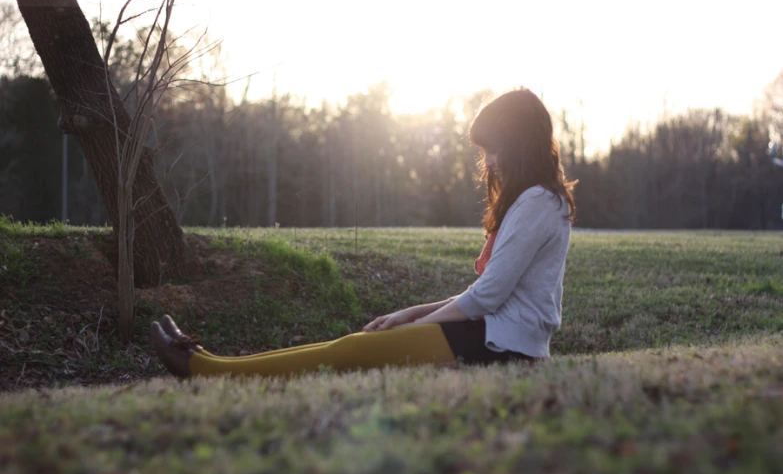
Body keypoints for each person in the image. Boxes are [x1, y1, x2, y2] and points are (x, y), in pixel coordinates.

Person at [150, 87, 577, 379]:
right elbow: (488, 289)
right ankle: (207, 363)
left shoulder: (539, 201)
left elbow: (487, 297)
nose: (489, 162)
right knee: (351, 347)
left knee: (350, 351)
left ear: (518, 144)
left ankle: (207, 371)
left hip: (506, 348)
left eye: (494, 148)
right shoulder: (535, 200)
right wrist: (410, 315)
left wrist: (416, 324)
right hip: (494, 336)